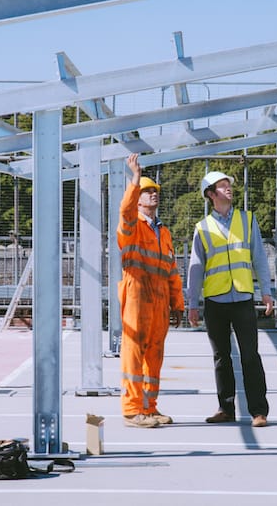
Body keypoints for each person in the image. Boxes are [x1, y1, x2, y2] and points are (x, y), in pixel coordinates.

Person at [187, 171, 274, 428]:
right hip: (215, 300)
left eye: (229, 186)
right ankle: (225, 408)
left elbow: (259, 257)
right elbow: (196, 267)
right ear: (210, 195)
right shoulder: (202, 228)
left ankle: (258, 412)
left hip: (243, 298)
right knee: (221, 357)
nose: (229, 190)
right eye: (222, 187)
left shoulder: (247, 220)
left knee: (250, 356)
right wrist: (192, 303)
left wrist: (266, 292)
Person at [117, 153, 185, 428]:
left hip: (158, 301)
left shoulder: (163, 232)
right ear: (138, 198)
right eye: (147, 192)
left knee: (154, 354)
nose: (152, 195)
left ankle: (150, 407)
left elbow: (171, 271)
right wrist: (135, 179)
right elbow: (125, 211)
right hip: (136, 296)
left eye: (154, 191)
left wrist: (177, 304)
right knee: (134, 352)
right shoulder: (132, 226)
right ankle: (133, 410)